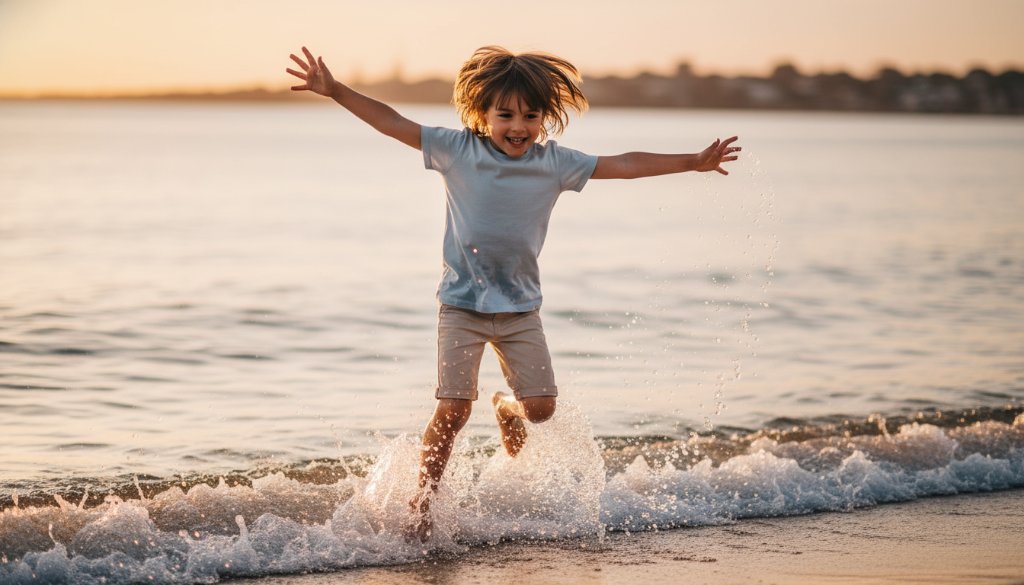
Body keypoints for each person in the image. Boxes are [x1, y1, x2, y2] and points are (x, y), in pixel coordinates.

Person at [286, 45, 740, 542]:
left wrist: (692, 161)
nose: (517, 126)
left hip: (522, 309)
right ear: (482, 115)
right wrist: (335, 92)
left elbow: (624, 163)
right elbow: (392, 122)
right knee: (455, 410)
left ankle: (506, 406)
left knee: (541, 408)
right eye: (505, 115)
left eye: (530, 115)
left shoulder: (555, 164)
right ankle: (424, 499)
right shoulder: (457, 149)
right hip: (460, 306)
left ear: (546, 117)